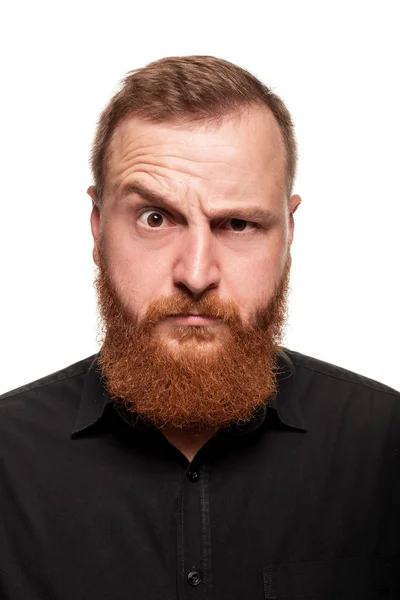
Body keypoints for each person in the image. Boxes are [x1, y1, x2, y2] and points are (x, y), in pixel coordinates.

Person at [0, 56, 399, 600]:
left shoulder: (386, 445)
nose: (195, 274)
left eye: (238, 224)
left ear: (289, 231)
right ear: (97, 229)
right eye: (155, 218)